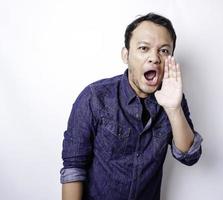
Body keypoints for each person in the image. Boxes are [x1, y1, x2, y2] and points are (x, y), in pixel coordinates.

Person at [60, 12, 203, 200]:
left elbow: (189, 157)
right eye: (144, 48)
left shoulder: (173, 99)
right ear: (126, 55)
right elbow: (73, 168)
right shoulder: (94, 97)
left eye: (164, 51)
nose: (155, 58)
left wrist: (174, 109)